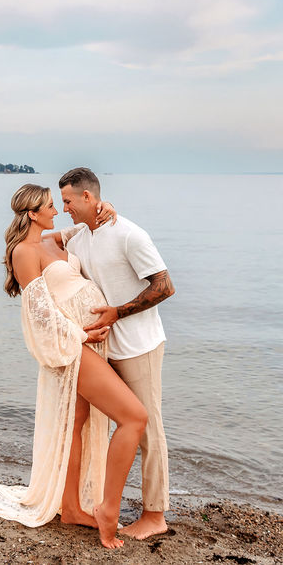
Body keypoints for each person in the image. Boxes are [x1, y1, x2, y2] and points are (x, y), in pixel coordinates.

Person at [0, 184, 147, 549]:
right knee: (134, 417)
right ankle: (108, 511)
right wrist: (81, 337)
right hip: (73, 347)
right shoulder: (24, 252)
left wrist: (106, 206)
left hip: (87, 342)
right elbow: (39, 313)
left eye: (59, 204)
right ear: (32, 214)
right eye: (50, 207)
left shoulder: (53, 241)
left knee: (77, 425)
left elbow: (85, 227)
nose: (57, 211)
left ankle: (70, 506)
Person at [55, 167, 175, 540]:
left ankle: (155, 515)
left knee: (148, 428)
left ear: (88, 197)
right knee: (110, 427)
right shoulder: (78, 239)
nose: (64, 209)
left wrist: (118, 312)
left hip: (139, 345)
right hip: (103, 349)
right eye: (61, 203)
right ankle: (98, 500)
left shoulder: (129, 234)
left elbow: (165, 286)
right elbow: (34, 239)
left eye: (69, 201)